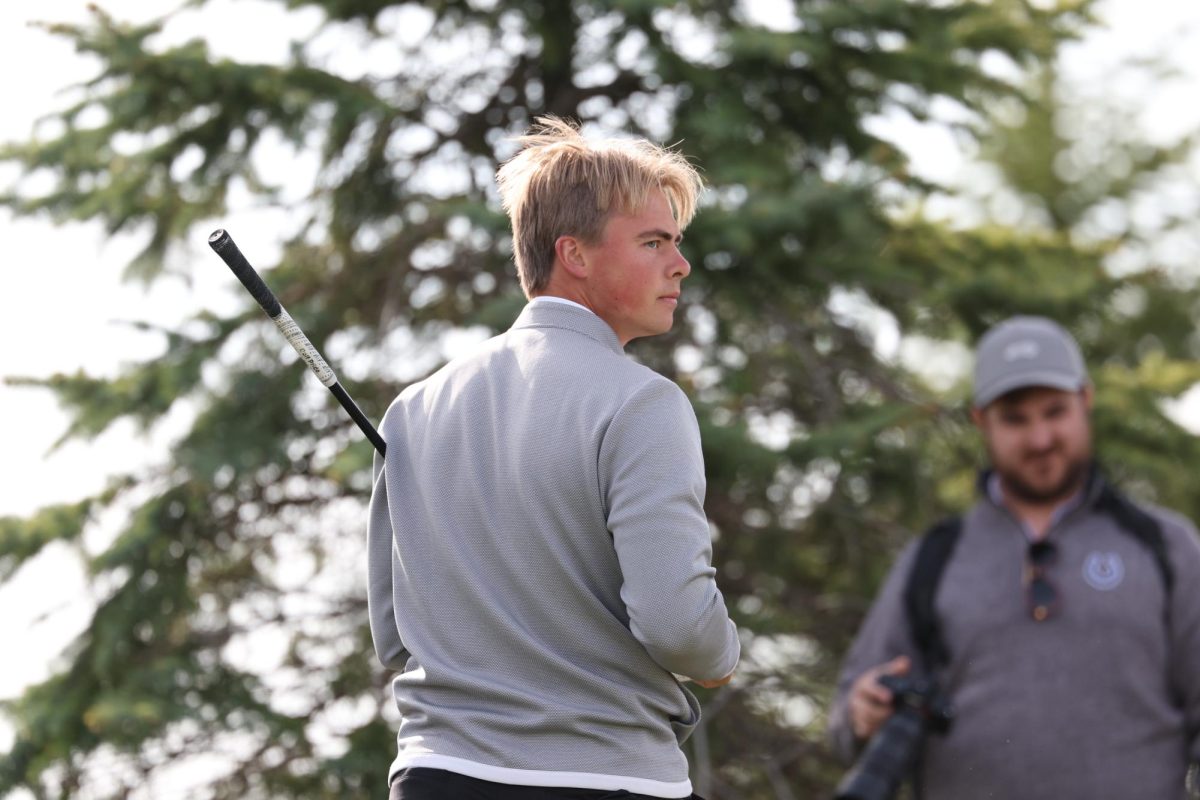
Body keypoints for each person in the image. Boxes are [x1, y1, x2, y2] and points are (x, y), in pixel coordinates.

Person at [367, 116, 740, 800]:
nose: (679, 264)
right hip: (605, 779)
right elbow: (677, 623)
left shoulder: (413, 411)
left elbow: (394, 635)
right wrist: (720, 654)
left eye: (675, 243)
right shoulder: (643, 404)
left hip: (435, 779)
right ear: (576, 254)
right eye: (653, 242)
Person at [829, 315, 1200, 799]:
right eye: (1016, 419)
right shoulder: (936, 557)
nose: (1040, 438)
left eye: (1054, 412)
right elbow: (844, 723)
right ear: (981, 420)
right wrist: (861, 713)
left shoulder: (1165, 545)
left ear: (1085, 401)